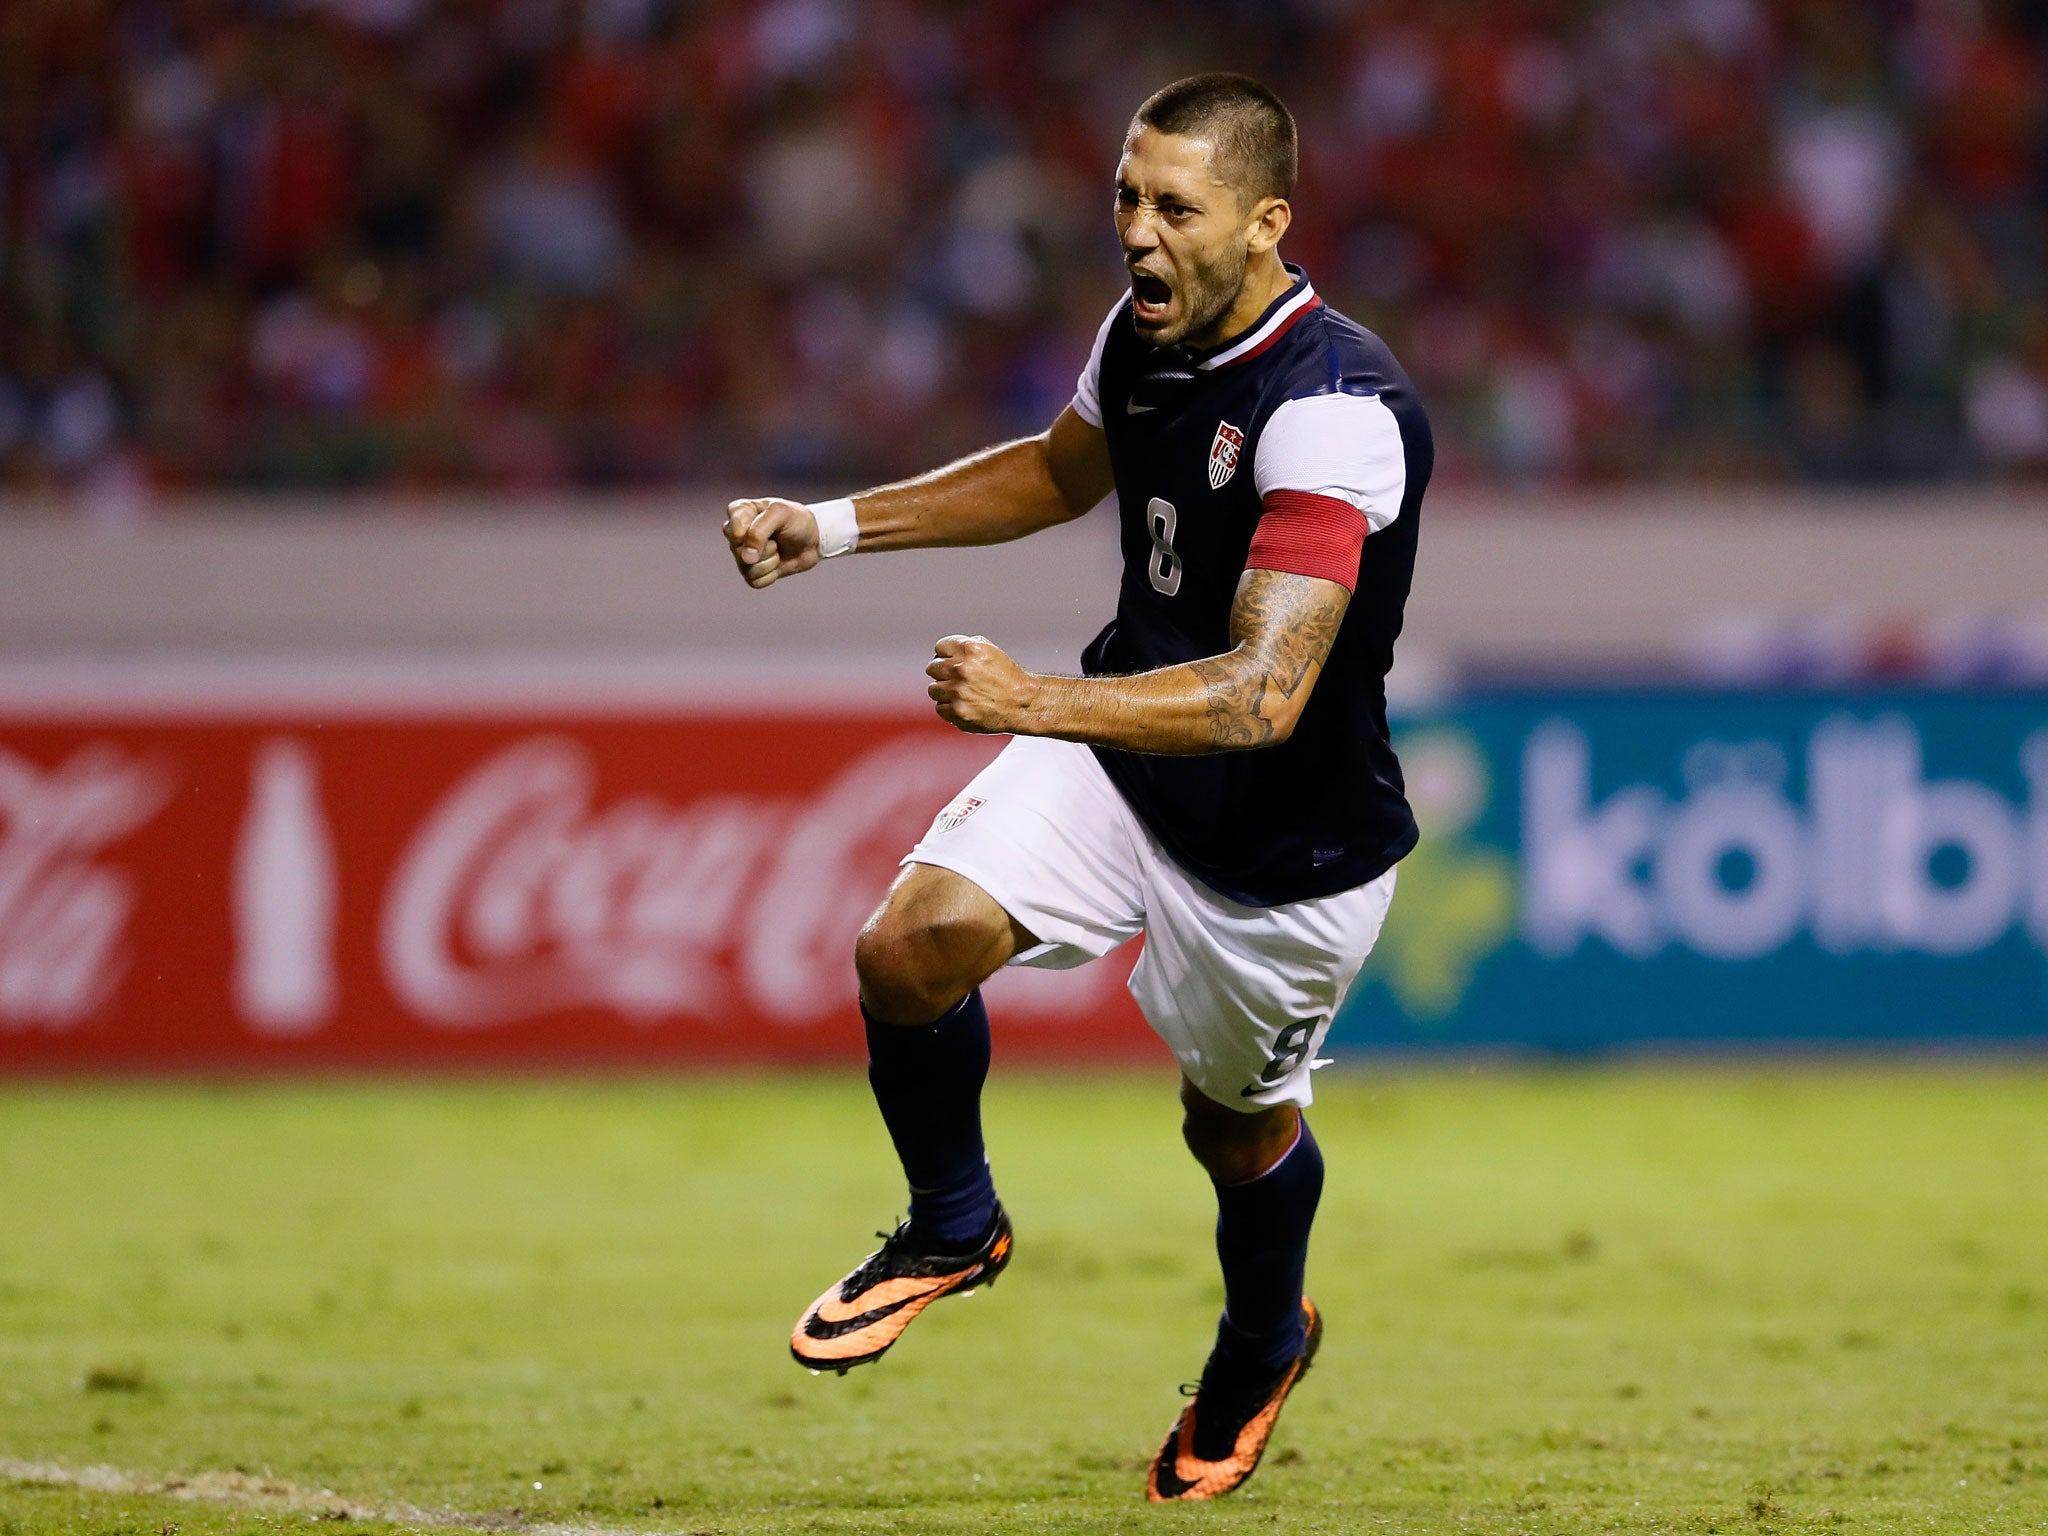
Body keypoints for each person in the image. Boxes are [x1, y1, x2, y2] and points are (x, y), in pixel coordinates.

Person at [722, 72, 1430, 1503]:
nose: (1139, 232)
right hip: (1123, 759)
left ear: (1267, 221)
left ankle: (1261, 1336)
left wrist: (1033, 698)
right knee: (908, 947)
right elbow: (1057, 474)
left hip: (1288, 851)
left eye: (1178, 207)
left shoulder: (1336, 410)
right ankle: (951, 1224)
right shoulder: (1146, 335)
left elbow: (1265, 692)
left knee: (1231, 1130)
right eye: (1126, 196)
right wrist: (835, 526)